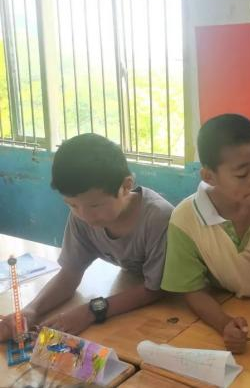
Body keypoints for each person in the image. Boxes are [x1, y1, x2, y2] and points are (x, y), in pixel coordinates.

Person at [0, 133, 173, 340]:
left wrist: (90, 311)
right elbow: (70, 273)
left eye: (95, 205)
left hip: (172, 303)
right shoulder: (82, 216)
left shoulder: (158, 218)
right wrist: (30, 311)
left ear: (126, 186)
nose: (85, 216)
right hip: (130, 290)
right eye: (72, 205)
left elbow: (155, 289)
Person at [160, 114, 250, 354]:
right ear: (209, 176)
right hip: (245, 315)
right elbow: (192, 289)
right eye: (242, 174)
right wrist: (224, 323)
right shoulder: (186, 220)